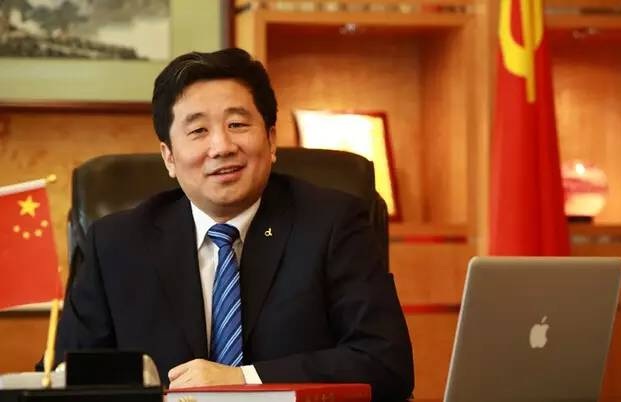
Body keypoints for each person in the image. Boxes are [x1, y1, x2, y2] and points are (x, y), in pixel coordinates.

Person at [55, 48, 414, 401]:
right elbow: (63, 379)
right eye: (198, 130)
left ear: (271, 140)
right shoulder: (115, 244)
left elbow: (385, 364)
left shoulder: (333, 223)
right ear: (169, 157)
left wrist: (244, 380)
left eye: (237, 125)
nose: (222, 146)